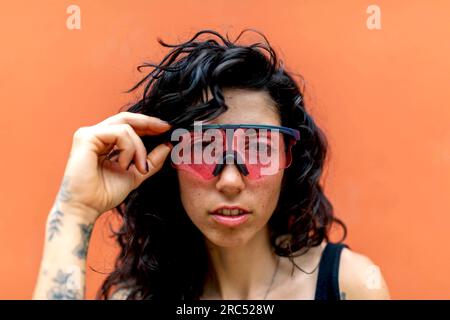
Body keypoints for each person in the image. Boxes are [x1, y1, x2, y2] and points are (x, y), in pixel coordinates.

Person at [33, 29, 390, 300]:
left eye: (257, 149)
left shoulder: (349, 286)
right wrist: (75, 210)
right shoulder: (136, 297)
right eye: (203, 147)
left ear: (287, 163)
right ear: (168, 162)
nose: (231, 181)